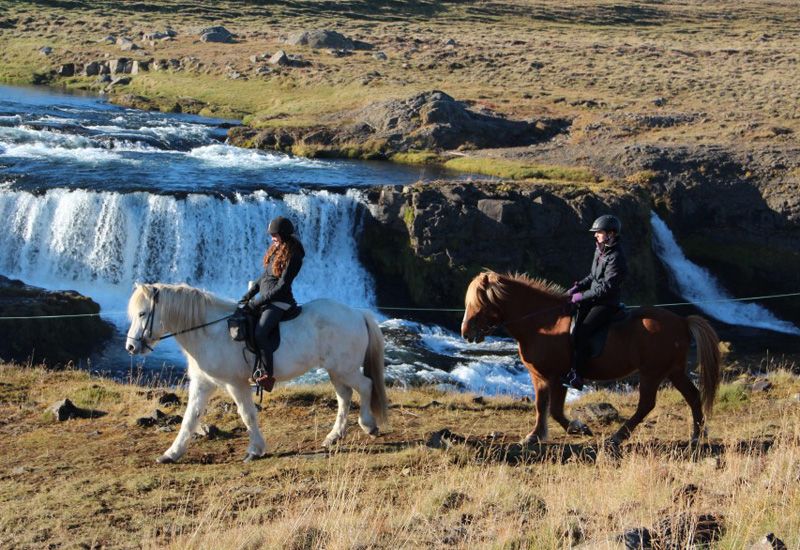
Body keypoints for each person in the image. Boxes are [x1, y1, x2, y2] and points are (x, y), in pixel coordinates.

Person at [239, 215, 305, 390]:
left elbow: (283, 286)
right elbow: (265, 277)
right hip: (267, 299)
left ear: (283, 234)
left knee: (261, 333)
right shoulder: (277, 248)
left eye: (274, 235)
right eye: (271, 235)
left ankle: (268, 375)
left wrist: (258, 302)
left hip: (280, 302)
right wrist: (249, 294)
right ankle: (252, 368)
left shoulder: (294, 255)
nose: (272, 238)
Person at [562, 214, 627, 390]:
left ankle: (578, 375)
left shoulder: (616, 256)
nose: (595, 235)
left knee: (582, 332)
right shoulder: (600, 250)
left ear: (611, 234)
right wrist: (576, 287)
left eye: (599, 232)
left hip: (606, 303)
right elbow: (592, 277)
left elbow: (606, 288)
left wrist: (580, 297)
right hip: (593, 298)